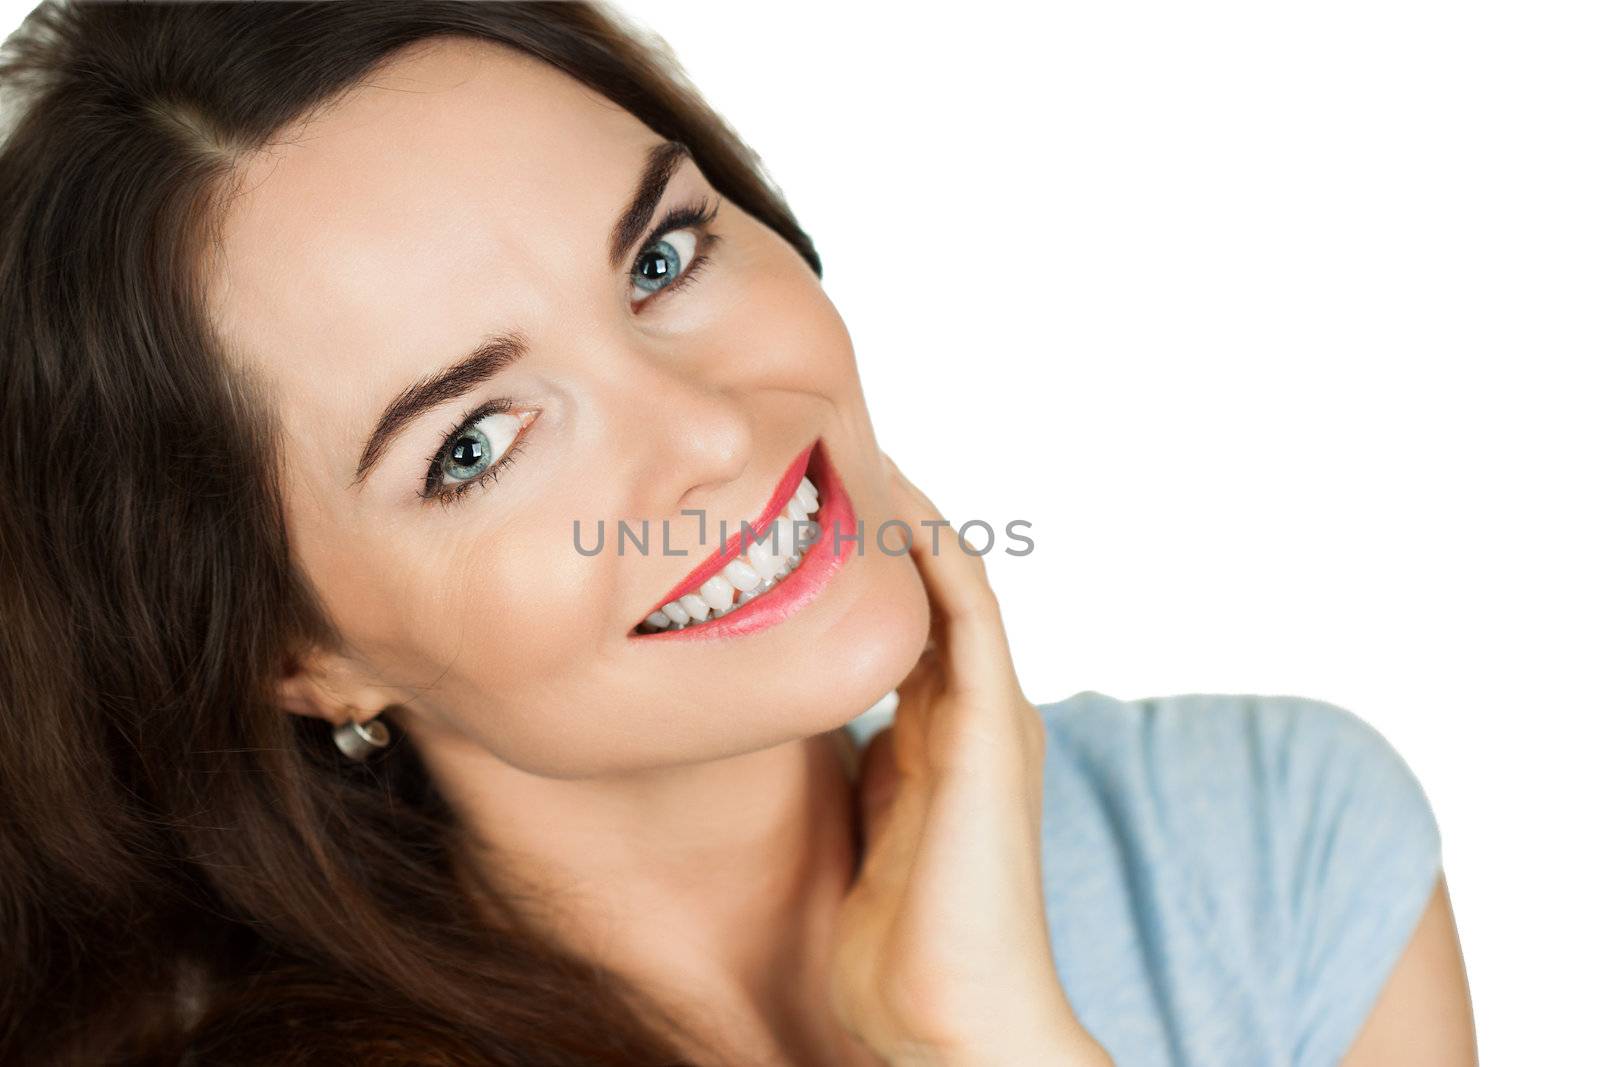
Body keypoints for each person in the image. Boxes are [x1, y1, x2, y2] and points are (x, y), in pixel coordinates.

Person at [0, 2, 1475, 1064]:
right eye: (476, 441)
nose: (709, 431)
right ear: (298, 655)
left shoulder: (1262, 843)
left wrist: (998, 1039)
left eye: (661, 255)